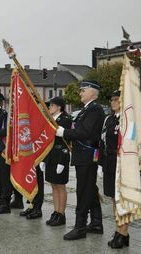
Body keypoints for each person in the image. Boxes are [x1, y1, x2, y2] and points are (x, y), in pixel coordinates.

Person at [55, 80, 105, 240]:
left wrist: (65, 133)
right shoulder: (87, 109)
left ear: (92, 92)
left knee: (83, 190)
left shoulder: (95, 109)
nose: (80, 92)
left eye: (83, 90)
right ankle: (96, 222)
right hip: (83, 154)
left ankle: (80, 226)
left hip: (87, 154)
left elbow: (85, 132)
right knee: (90, 189)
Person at [98, 90, 130, 249]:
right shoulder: (108, 119)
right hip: (109, 162)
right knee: (113, 198)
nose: (113, 102)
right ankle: (120, 230)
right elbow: (102, 142)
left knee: (122, 199)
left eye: (116, 99)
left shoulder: (128, 119)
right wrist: (100, 163)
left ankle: (123, 232)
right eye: (111, 100)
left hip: (123, 162)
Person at [42, 97, 72, 226]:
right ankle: (55, 212)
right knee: (53, 185)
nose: (50, 107)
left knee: (60, 186)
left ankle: (61, 213)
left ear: (59, 107)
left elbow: (66, 141)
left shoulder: (65, 119)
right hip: (50, 154)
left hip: (60, 154)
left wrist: (62, 160)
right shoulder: (50, 119)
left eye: (52, 105)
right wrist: (44, 158)